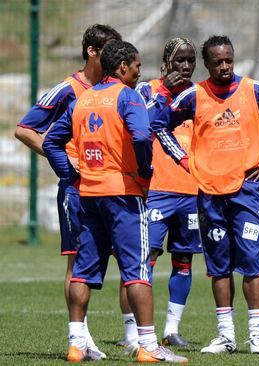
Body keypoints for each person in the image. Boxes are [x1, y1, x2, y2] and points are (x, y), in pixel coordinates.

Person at [151, 35, 259, 354]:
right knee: (218, 266)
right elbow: (158, 125)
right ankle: (226, 335)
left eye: (228, 60)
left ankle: (257, 335)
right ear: (207, 65)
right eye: (217, 62)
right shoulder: (194, 95)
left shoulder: (254, 90)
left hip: (247, 192)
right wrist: (183, 158)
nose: (224, 66)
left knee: (251, 263)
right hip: (210, 194)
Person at [43, 39, 188, 364]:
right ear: (122, 67)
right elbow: (140, 135)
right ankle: (148, 347)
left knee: (82, 270)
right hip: (123, 196)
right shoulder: (128, 97)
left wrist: (72, 173)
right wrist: (145, 173)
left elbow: (52, 141)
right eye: (136, 66)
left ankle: (77, 343)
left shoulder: (83, 100)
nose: (139, 72)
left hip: (88, 195)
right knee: (137, 270)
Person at [14, 24, 122, 359]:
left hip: (113, 188)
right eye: (108, 50)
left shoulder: (114, 89)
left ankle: (137, 338)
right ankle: (80, 339)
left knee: (131, 260)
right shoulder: (67, 88)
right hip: (77, 190)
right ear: (91, 51)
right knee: (77, 264)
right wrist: (66, 159)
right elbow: (25, 129)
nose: (114, 58)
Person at [131, 37, 201, 348]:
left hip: (192, 192)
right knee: (147, 257)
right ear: (165, 64)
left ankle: (171, 330)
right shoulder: (146, 90)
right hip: (156, 191)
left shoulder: (200, 96)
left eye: (191, 61)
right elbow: (140, 127)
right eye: (180, 61)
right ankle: (135, 333)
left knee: (184, 259)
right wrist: (163, 94)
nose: (185, 67)